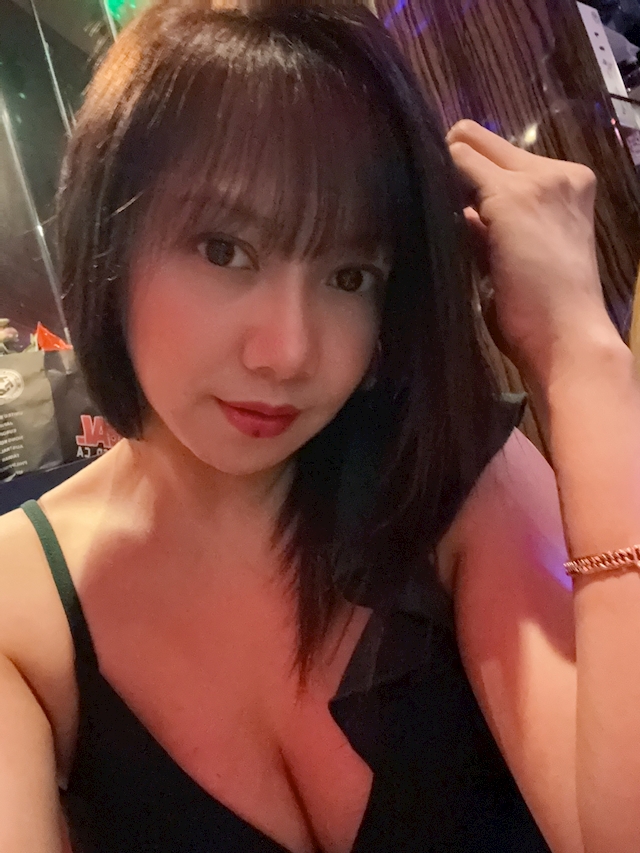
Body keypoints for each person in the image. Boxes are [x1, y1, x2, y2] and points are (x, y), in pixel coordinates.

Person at [1, 1, 639, 851]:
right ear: (108, 242)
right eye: (224, 249)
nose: (288, 352)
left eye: (349, 275)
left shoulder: (448, 477)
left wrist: (581, 353)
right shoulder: (21, 605)